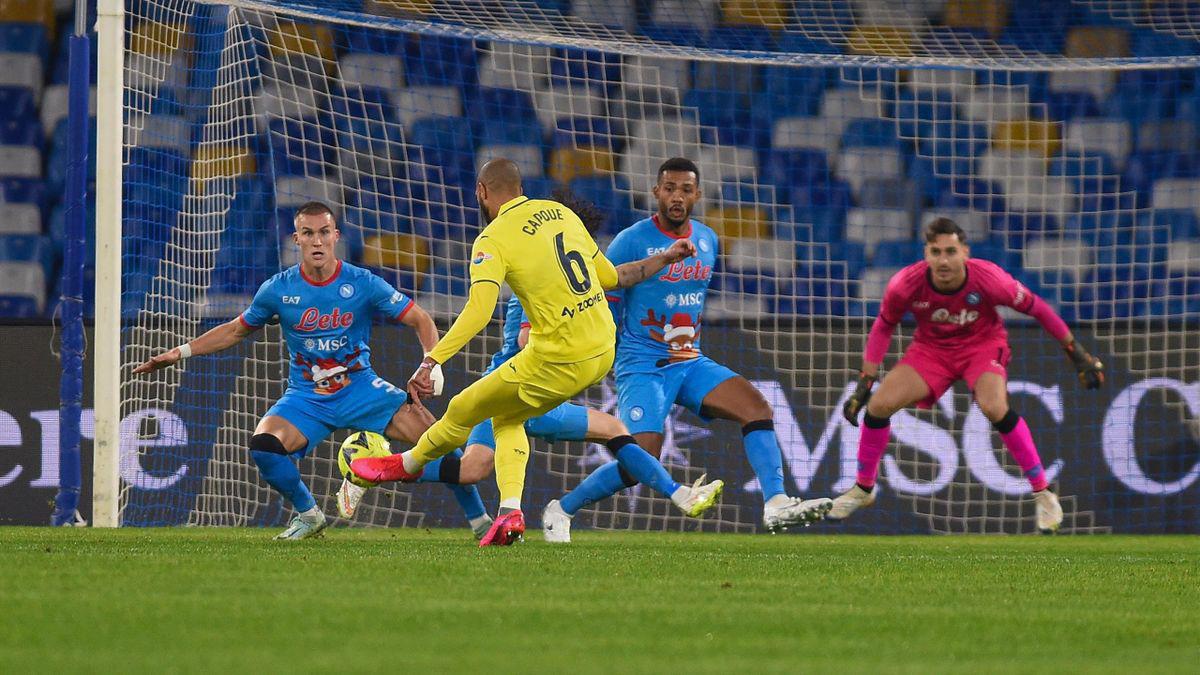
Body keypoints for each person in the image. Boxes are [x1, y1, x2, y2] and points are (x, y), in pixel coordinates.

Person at [351, 159, 725, 546]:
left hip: (551, 362)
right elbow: (615, 277)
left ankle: (399, 466)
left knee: (463, 409)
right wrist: (665, 257)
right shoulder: (561, 215)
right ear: (521, 188)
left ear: (481, 192)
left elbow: (485, 315)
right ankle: (512, 511)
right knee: (514, 421)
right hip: (601, 350)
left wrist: (433, 359)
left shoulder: (496, 240)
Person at [132, 202, 492, 540]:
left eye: (323, 232)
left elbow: (420, 318)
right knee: (264, 447)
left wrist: (430, 363)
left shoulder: (362, 282)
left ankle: (479, 523)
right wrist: (180, 352)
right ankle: (309, 514)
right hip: (307, 397)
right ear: (296, 239)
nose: (316, 241)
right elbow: (235, 330)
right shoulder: (278, 290)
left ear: (336, 236)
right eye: (308, 233)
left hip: (361, 388)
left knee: (438, 443)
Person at [543, 157, 833, 539]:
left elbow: (688, 302)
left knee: (756, 407)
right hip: (643, 363)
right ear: (656, 192)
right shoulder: (631, 240)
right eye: (669, 188)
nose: (676, 196)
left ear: (697, 195)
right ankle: (562, 509)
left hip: (689, 360)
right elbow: (606, 299)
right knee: (642, 456)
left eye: (685, 189)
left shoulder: (708, 240)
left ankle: (776, 503)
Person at [831, 217, 1105, 533]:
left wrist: (1077, 353)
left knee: (993, 406)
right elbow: (883, 325)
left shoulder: (990, 279)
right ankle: (863, 489)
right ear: (926, 253)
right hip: (932, 350)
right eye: (936, 252)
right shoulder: (905, 283)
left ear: (965, 252)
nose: (943, 261)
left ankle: (1043, 493)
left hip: (982, 347)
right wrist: (866, 381)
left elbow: (1037, 308)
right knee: (878, 406)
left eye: (950, 251)